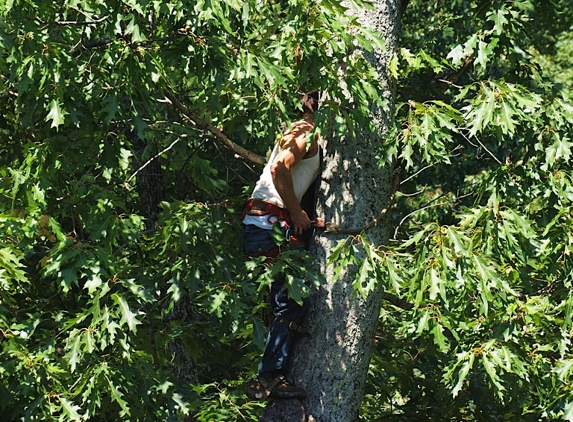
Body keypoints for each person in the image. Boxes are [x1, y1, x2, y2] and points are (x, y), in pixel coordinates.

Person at [240, 91, 321, 401]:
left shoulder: (297, 130)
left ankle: (272, 369)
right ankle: (270, 375)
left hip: (260, 224)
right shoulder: (306, 131)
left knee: (282, 300)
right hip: (272, 226)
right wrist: (297, 211)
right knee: (292, 302)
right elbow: (278, 170)